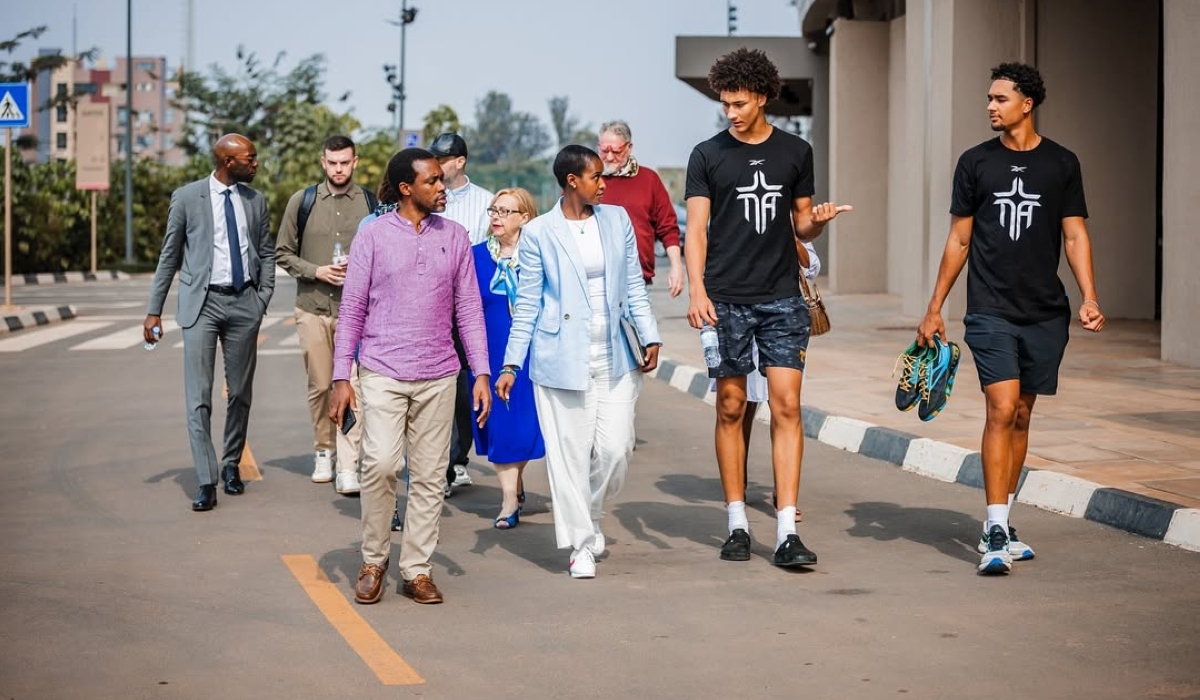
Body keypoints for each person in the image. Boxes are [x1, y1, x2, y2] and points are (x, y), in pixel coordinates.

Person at [916, 63, 1104, 575]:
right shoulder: (975, 163)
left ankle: (1006, 518)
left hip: (1045, 312)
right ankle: (993, 525)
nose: (990, 106)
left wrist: (1088, 295)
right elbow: (959, 239)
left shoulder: (1063, 163)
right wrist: (935, 307)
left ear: (1028, 103)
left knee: (1022, 413)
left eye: (1000, 98)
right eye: (989, 98)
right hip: (990, 309)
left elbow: (1074, 235)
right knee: (1000, 408)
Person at [684, 48, 851, 568]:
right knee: (731, 407)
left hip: (782, 298)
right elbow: (695, 230)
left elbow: (802, 225)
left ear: (760, 97)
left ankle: (785, 532)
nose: (729, 112)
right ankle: (736, 523)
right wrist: (696, 290)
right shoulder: (706, 155)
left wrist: (819, 222)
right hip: (726, 297)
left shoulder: (796, 152)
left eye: (737, 102)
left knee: (787, 406)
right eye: (724, 103)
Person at [329, 148, 492, 606]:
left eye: (442, 180)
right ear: (406, 189)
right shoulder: (374, 236)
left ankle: (416, 569)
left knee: (428, 476)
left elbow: (469, 309)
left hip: (440, 373)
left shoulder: (456, 236)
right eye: (433, 182)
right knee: (380, 465)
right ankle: (374, 560)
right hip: (381, 369)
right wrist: (342, 376)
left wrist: (480, 369)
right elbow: (353, 308)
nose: (442, 189)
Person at [497, 145, 661, 579]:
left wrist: (650, 335)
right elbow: (528, 303)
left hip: (615, 355)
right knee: (568, 456)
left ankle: (586, 513)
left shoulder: (617, 221)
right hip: (560, 359)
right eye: (596, 177)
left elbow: (633, 286)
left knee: (615, 450)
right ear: (573, 181)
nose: (604, 184)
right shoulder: (539, 233)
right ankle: (581, 545)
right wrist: (512, 364)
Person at [143, 133, 275, 512]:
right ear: (228, 161)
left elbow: (265, 252)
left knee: (240, 393)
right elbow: (170, 255)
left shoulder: (256, 200)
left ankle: (231, 464)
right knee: (198, 397)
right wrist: (154, 310)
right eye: (250, 158)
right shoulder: (187, 198)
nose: (256, 164)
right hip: (201, 305)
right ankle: (206, 478)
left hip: (243, 303)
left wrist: (261, 299)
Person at [275, 135, 374, 494]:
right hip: (313, 307)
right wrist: (315, 270)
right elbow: (282, 252)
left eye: (344, 162)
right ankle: (323, 450)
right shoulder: (302, 202)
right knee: (320, 385)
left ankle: (350, 463)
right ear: (322, 162)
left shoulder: (370, 204)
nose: (338, 169)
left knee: (353, 387)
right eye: (332, 163)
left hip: (357, 312)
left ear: (355, 162)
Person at [470, 187, 546, 529]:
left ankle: (513, 485)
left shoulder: (539, 255)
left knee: (523, 424)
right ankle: (508, 498)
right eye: (494, 211)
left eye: (506, 211)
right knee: (499, 423)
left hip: (530, 353)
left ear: (524, 218)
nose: (497, 217)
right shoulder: (475, 257)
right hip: (488, 352)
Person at [729, 240, 820, 523]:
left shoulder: (787, 213)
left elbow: (811, 266)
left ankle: (784, 494)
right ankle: (737, 483)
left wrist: (788, 234)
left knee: (784, 407)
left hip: (780, 316)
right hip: (741, 310)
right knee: (740, 405)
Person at [429, 132, 495, 494]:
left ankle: (458, 458)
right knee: (442, 385)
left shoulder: (485, 202)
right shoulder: (430, 200)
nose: (436, 167)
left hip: (471, 307)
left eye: (442, 160)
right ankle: (443, 462)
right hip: (434, 306)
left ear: (459, 161)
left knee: (467, 384)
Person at [597, 120, 684, 296]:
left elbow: (668, 227)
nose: (610, 157)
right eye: (604, 150)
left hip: (637, 283)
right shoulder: (588, 179)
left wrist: (676, 266)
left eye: (616, 151)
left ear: (629, 148)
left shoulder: (649, 180)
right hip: (595, 282)